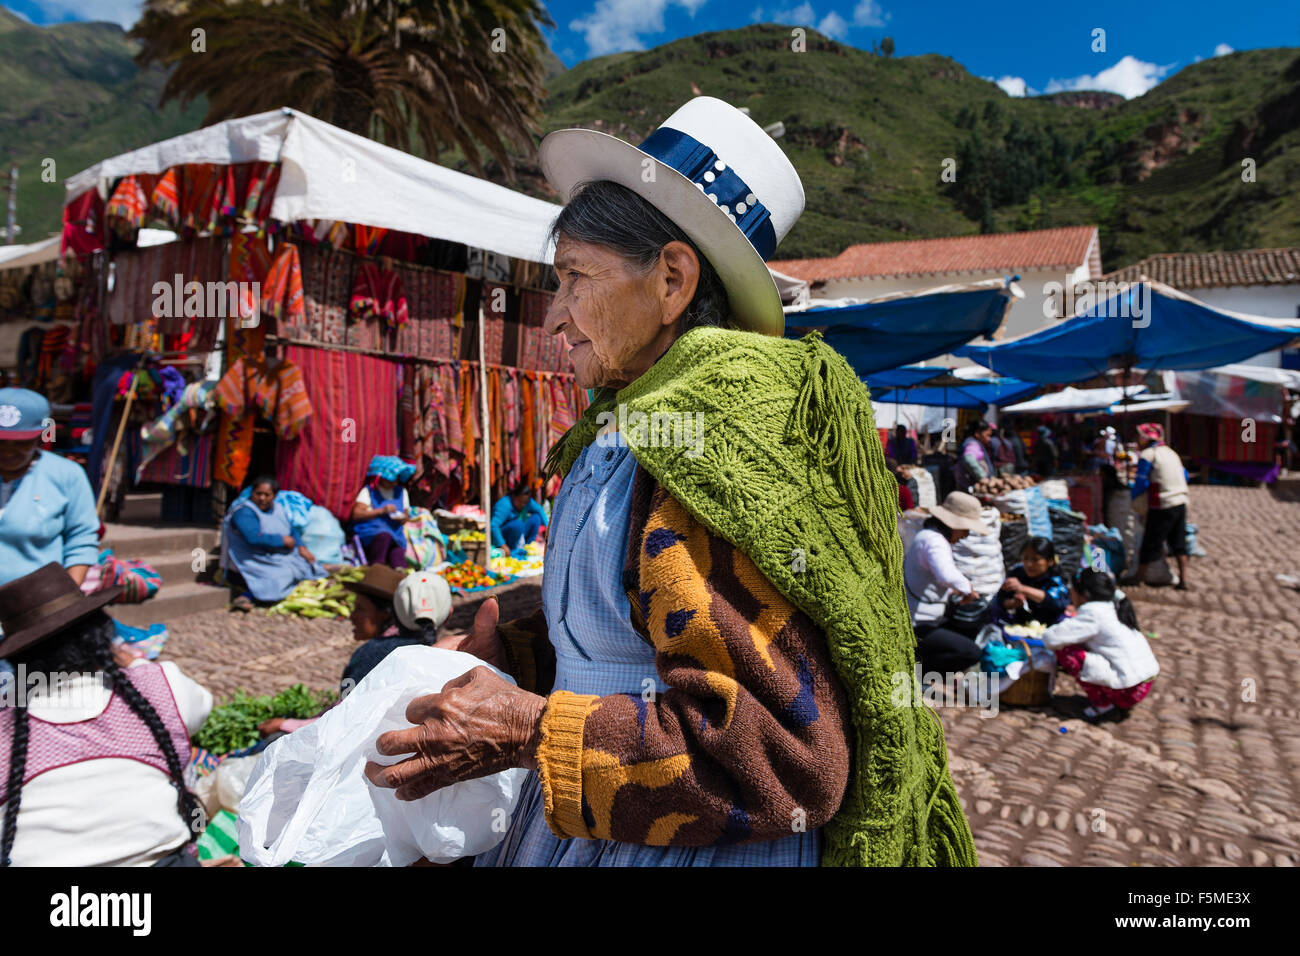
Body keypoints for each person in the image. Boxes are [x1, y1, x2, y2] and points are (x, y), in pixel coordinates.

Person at [363, 97, 976, 867]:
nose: (556, 317)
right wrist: (520, 646)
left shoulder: (711, 445)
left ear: (673, 281)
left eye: (575, 278)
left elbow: (787, 762)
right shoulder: (633, 427)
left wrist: (526, 729)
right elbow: (646, 635)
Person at [0, 562, 213, 866]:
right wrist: (134, 663)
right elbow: (202, 704)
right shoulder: (160, 686)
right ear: (101, 633)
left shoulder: (6, 723)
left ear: (17, 657)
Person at [259, 567, 454, 736]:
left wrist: (285, 725)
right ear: (449, 614)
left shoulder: (372, 655)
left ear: (388, 613)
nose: (351, 616)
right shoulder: (450, 658)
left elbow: (343, 718)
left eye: (360, 608)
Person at [0, 388, 99, 588]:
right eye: (1, 441)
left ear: (40, 437)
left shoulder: (66, 475)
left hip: (37, 606)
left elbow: (81, 540)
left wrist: (64, 602)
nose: (8, 450)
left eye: (21, 442)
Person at [1040, 568, 1158, 723]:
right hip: (1143, 682)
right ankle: (1111, 700)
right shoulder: (1113, 605)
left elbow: (1051, 638)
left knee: (1065, 649)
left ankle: (1103, 707)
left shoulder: (1094, 612)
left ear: (1084, 594)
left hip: (1128, 691)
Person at [903, 491, 992, 677]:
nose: (966, 535)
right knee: (971, 653)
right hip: (918, 624)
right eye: (966, 529)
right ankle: (916, 674)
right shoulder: (934, 541)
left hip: (925, 618)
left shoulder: (929, 537)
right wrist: (968, 588)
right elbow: (946, 575)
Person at [222, 475, 327, 605]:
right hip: (253, 558)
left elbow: (291, 530)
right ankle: (248, 596)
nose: (262, 498)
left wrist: (301, 546)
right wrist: (282, 540)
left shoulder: (278, 508)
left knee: (307, 567)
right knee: (280, 576)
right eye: (258, 493)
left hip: (276, 555)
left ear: (275, 496)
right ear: (252, 493)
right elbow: (253, 538)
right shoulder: (244, 512)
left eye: (267, 495)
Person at [1126, 422, 1191, 590]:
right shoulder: (1171, 453)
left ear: (1146, 438)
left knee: (1151, 541)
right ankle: (1184, 579)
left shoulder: (1148, 454)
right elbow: (1184, 475)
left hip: (1162, 503)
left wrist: (1133, 499)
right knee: (1179, 541)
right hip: (1180, 500)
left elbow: (1141, 481)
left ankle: (1138, 577)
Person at [350, 455, 417, 569]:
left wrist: (403, 518)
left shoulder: (402, 492)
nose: (395, 481)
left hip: (395, 535)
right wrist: (382, 511)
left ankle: (397, 578)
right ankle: (376, 569)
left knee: (398, 557)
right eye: (393, 478)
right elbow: (356, 514)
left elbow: (406, 514)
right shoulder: (369, 491)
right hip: (372, 532)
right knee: (384, 537)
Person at [997, 536, 1070, 626]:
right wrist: (1013, 603)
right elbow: (1001, 600)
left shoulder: (1056, 577)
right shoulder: (1017, 574)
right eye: (1025, 558)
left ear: (1050, 561)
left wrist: (1022, 588)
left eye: (1035, 559)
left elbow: (1056, 602)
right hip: (1019, 627)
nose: (1029, 564)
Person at [490, 481, 548, 559]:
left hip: (519, 533)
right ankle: (511, 550)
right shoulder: (504, 505)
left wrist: (548, 527)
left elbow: (539, 509)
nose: (523, 505)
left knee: (536, 518)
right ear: (514, 496)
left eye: (525, 503)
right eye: (520, 502)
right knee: (517, 524)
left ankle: (528, 547)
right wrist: (502, 545)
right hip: (503, 535)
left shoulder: (527, 502)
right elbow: (493, 526)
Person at [954, 420, 994, 489]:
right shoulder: (973, 444)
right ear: (977, 434)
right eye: (987, 435)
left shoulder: (972, 442)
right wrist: (982, 477)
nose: (989, 439)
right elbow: (968, 458)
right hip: (970, 486)